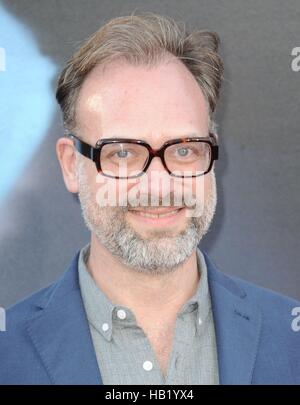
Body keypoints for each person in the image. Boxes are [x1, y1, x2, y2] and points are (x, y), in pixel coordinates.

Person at [0, 13, 299, 385]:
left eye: (185, 150)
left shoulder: (291, 341)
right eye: (123, 153)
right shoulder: (6, 354)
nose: (158, 185)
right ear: (69, 165)